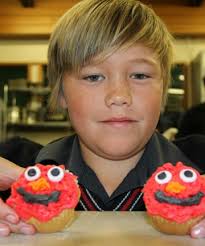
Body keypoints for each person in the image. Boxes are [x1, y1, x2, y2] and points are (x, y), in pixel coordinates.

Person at [0, 0, 204, 238]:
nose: (119, 96)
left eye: (140, 75)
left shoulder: (199, 160)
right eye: (94, 77)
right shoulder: (14, 170)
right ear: (61, 93)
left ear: (164, 90)